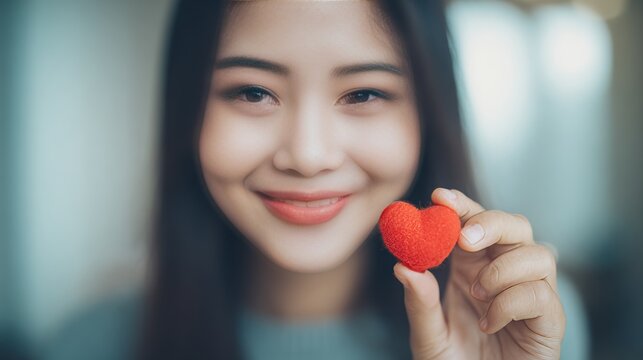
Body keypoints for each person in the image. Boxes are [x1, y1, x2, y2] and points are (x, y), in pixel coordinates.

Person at [42, 1, 581, 359]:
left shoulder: (522, 323)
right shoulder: (87, 344)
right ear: (187, 109)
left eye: (364, 93)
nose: (307, 155)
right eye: (252, 92)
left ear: (429, 113)